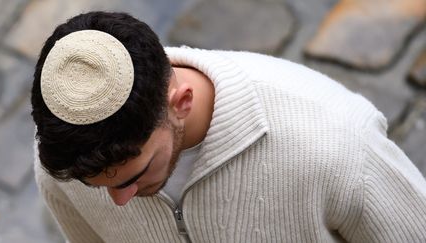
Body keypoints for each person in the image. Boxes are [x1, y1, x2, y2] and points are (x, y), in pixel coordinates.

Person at [31, 11, 426, 243]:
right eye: (95, 186)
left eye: (133, 177)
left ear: (180, 103)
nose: (119, 201)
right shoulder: (66, 166)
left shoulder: (337, 140)